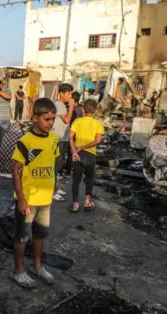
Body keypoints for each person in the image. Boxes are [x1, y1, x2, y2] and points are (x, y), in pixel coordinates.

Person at [10, 98, 59, 288]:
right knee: (22, 236)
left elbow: (54, 161)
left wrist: (54, 183)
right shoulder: (25, 142)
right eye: (47, 119)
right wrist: (21, 199)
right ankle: (19, 271)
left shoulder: (53, 139)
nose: (50, 123)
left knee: (40, 234)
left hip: (45, 199)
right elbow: (16, 170)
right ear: (35, 117)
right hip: (28, 200)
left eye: (53, 119)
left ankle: (37, 266)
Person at [69, 99, 104, 213]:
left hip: (77, 154)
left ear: (83, 110)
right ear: (96, 110)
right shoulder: (98, 124)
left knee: (76, 180)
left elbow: (70, 137)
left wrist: (75, 150)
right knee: (89, 178)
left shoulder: (77, 121)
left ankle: (75, 204)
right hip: (90, 155)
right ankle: (87, 202)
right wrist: (84, 147)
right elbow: (97, 140)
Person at [54, 83, 75, 180]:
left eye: (71, 94)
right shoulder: (59, 105)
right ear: (61, 94)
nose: (70, 96)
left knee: (60, 160)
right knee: (57, 161)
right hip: (59, 137)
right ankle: (52, 184)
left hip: (62, 137)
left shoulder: (62, 105)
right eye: (68, 94)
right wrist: (71, 107)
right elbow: (66, 120)